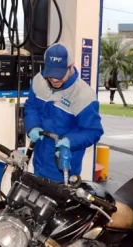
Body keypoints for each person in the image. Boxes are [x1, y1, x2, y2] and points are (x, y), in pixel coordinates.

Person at [23, 43, 104, 183]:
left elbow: (93, 131)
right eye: (51, 74)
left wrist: (69, 141)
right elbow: (31, 106)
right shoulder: (39, 81)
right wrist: (33, 126)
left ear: (71, 66)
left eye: (59, 74)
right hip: (39, 163)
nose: (54, 79)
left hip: (64, 169)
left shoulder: (84, 96)